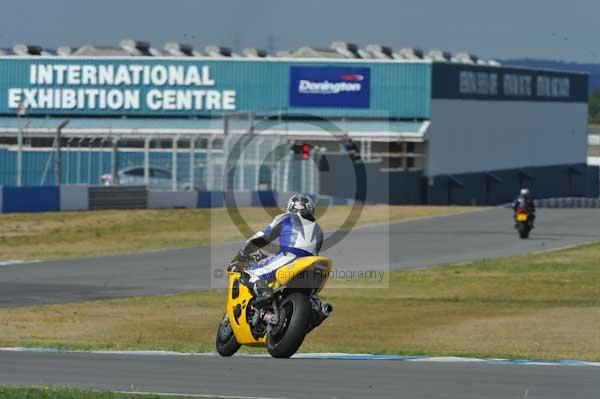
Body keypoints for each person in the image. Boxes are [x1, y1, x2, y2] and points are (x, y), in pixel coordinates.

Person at [234, 193, 324, 301]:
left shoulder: (285, 217)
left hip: (290, 256)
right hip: (311, 263)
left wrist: (245, 251)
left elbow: (263, 237)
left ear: (290, 207)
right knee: (312, 297)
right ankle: (315, 303)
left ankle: (265, 294)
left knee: (251, 274)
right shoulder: (319, 229)